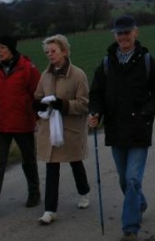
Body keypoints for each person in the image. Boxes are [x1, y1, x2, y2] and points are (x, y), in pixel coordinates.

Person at [88, 15, 155, 241]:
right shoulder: (106, 63)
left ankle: (130, 229)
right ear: (115, 35)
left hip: (139, 130)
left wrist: (145, 113)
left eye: (127, 32)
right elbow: (96, 94)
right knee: (125, 180)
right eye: (119, 33)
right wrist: (95, 112)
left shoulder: (147, 61)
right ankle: (140, 203)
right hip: (115, 130)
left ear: (136, 33)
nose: (123, 37)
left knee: (133, 179)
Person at [0, 35, 41, 218]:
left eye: (2, 47)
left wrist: (38, 119)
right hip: (1, 124)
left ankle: (34, 192)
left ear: (11, 48)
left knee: (28, 160)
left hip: (23, 123)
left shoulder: (27, 68)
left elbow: (37, 95)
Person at [33, 34, 90, 225]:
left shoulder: (78, 75)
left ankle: (83, 192)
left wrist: (63, 105)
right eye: (47, 51)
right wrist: (39, 106)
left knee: (75, 163)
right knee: (51, 168)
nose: (49, 54)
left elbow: (83, 104)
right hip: (50, 131)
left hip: (70, 130)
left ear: (64, 52)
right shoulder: (45, 75)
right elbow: (38, 95)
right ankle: (50, 210)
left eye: (53, 51)